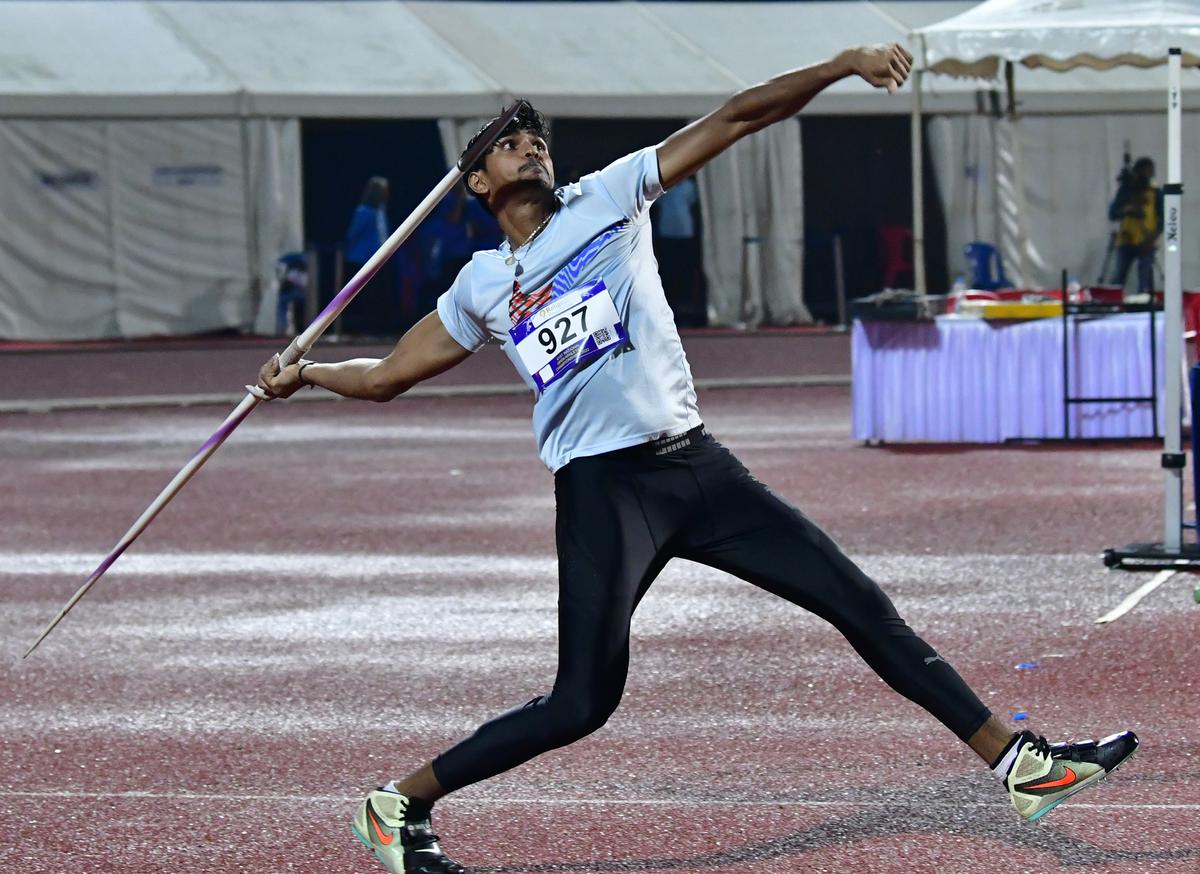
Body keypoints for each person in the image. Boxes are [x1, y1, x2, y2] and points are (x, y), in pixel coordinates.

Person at [256, 45, 1137, 874]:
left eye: (537, 140)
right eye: (508, 146)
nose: (530, 150)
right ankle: (398, 803)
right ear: (479, 181)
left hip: (697, 468)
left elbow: (738, 117)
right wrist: (308, 376)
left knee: (857, 601)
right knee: (580, 704)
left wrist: (840, 67)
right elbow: (385, 377)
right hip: (604, 491)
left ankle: (1017, 767)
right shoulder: (481, 286)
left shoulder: (611, 197)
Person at [342, 176, 397, 335]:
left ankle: (381, 326)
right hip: (365, 259)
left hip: (381, 260)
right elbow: (353, 234)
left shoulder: (381, 212)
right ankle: (368, 328)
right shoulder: (363, 212)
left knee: (381, 293)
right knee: (368, 295)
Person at [652, 174, 705, 326]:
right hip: (666, 233)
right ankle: (670, 309)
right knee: (668, 273)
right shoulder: (663, 188)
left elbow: (694, 204)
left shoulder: (689, 186)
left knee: (685, 272)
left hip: (685, 233)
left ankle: (686, 310)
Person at [1107, 156, 1163, 297]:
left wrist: (1152, 239)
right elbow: (1113, 213)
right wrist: (1128, 209)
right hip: (1126, 240)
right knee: (1118, 278)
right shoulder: (1126, 190)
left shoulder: (1155, 192)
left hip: (1146, 240)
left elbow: (1162, 219)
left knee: (1144, 278)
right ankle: (1115, 303)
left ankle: (1143, 304)